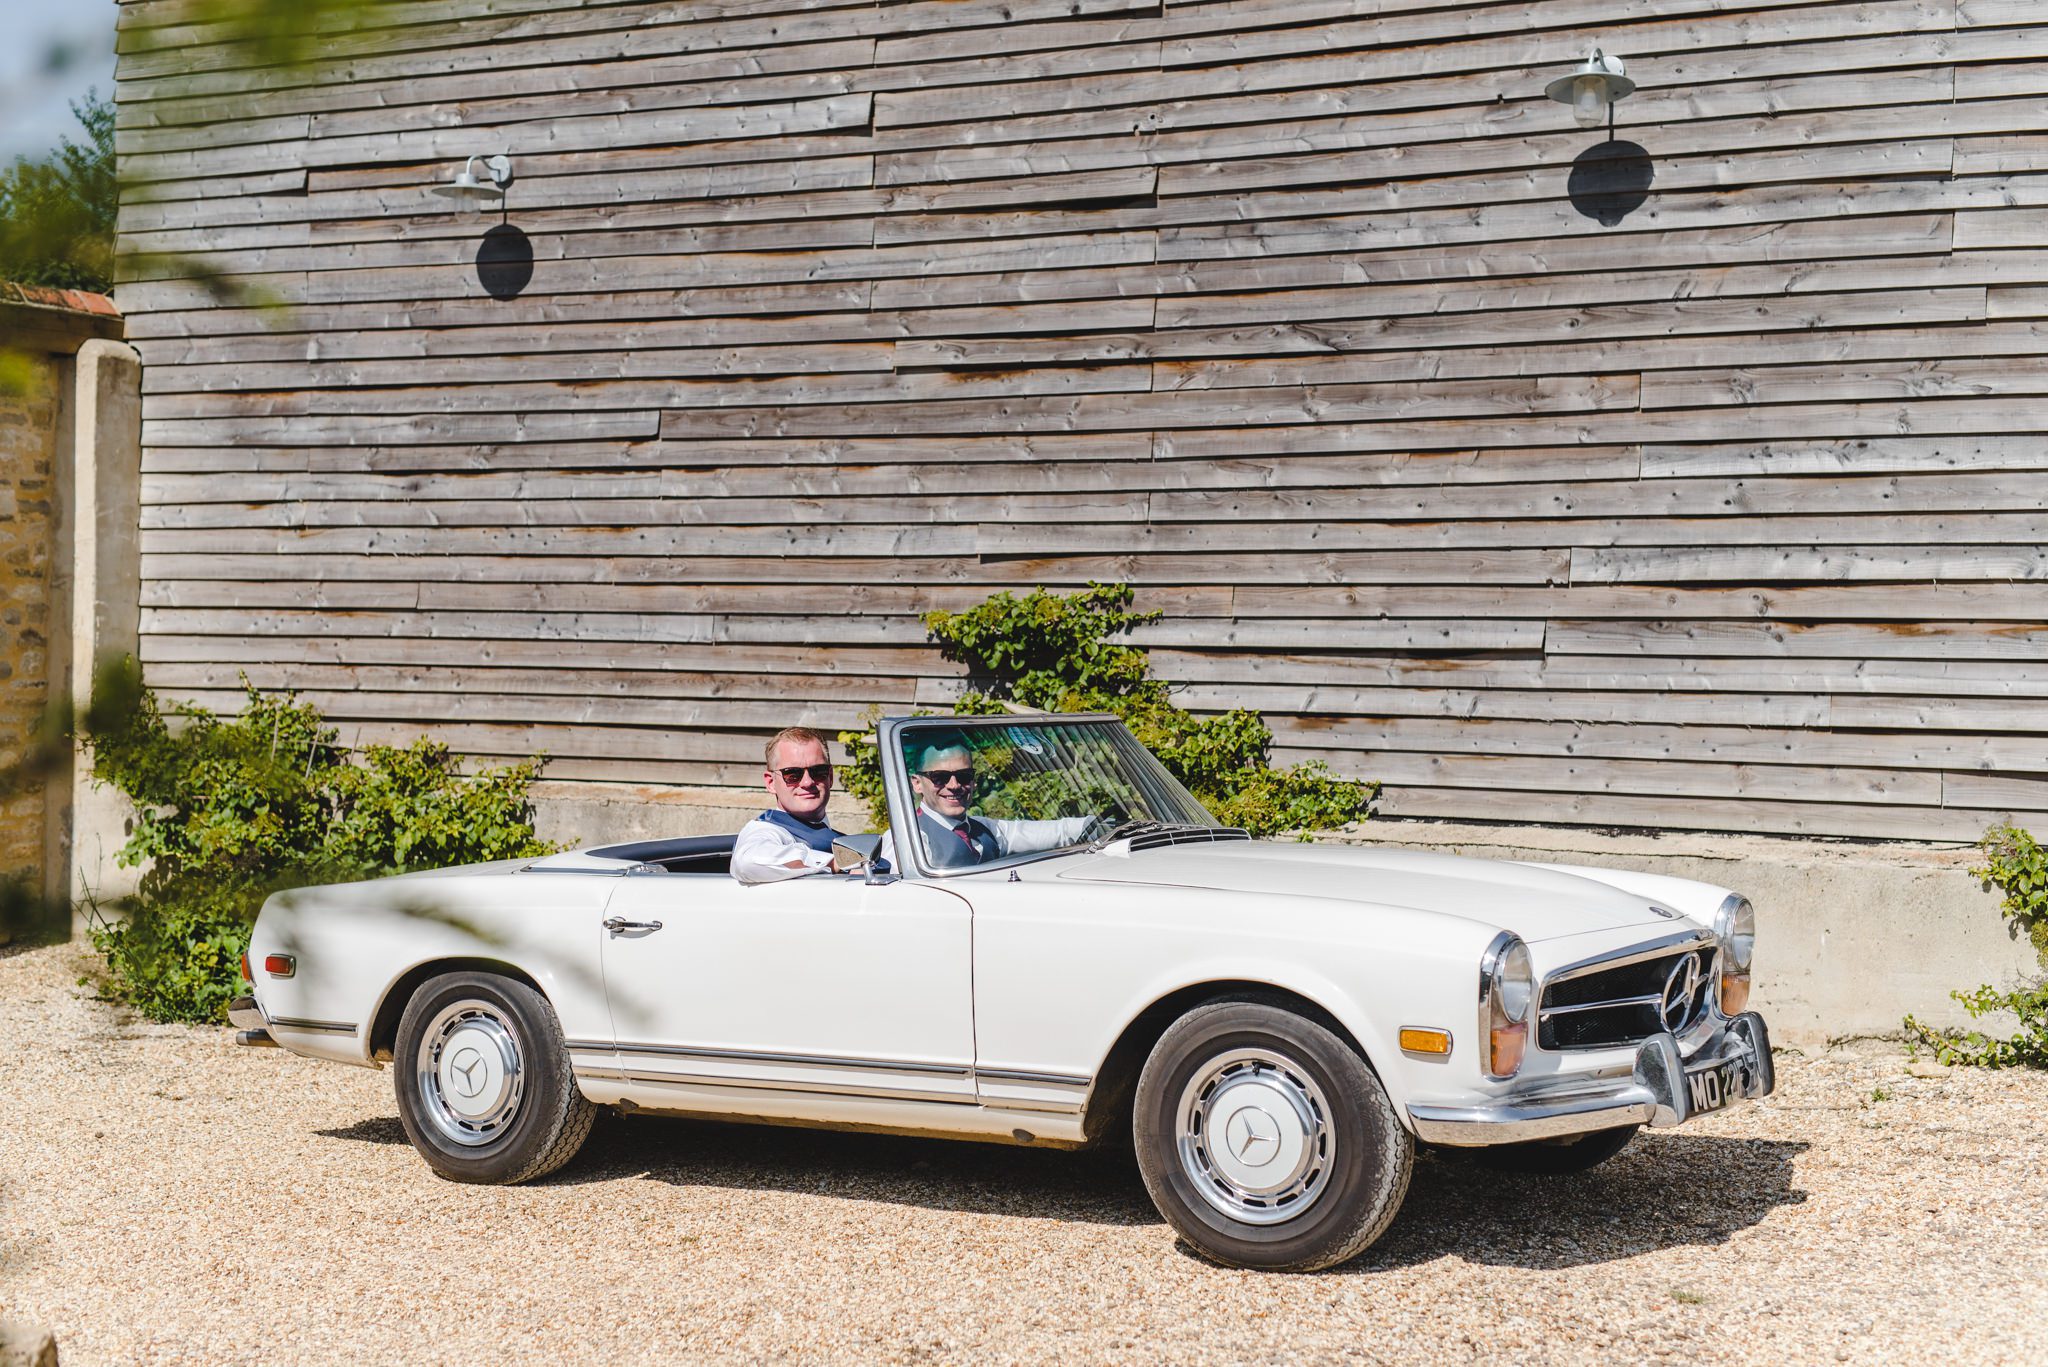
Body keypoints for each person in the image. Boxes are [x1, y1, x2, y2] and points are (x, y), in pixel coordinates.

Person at [909, 737, 1093, 869]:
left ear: (974, 781)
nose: (954, 785)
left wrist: (1101, 825)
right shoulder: (909, 840)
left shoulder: (987, 830)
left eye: (964, 776)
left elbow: (1059, 832)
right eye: (940, 777)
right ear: (917, 784)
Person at [731, 726, 845, 885]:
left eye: (818, 771)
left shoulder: (835, 838)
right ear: (771, 783)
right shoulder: (766, 831)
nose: (807, 782)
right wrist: (835, 862)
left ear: (830, 777)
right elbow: (748, 861)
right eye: (792, 774)